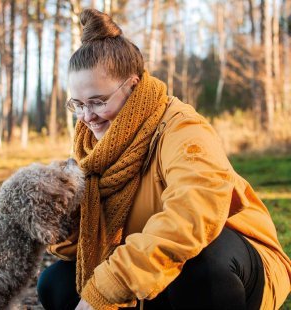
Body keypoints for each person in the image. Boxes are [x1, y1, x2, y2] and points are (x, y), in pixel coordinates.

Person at [37, 8, 291, 310]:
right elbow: (84, 247)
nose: (87, 117)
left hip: (231, 267)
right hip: (154, 270)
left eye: (98, 101)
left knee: (204, 266)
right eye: (77, 104)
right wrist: (57, 221)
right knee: (56, 283)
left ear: (132, 85)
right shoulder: (90, 148)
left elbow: (192, 217)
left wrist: (109, 286)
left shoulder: (181, 128)